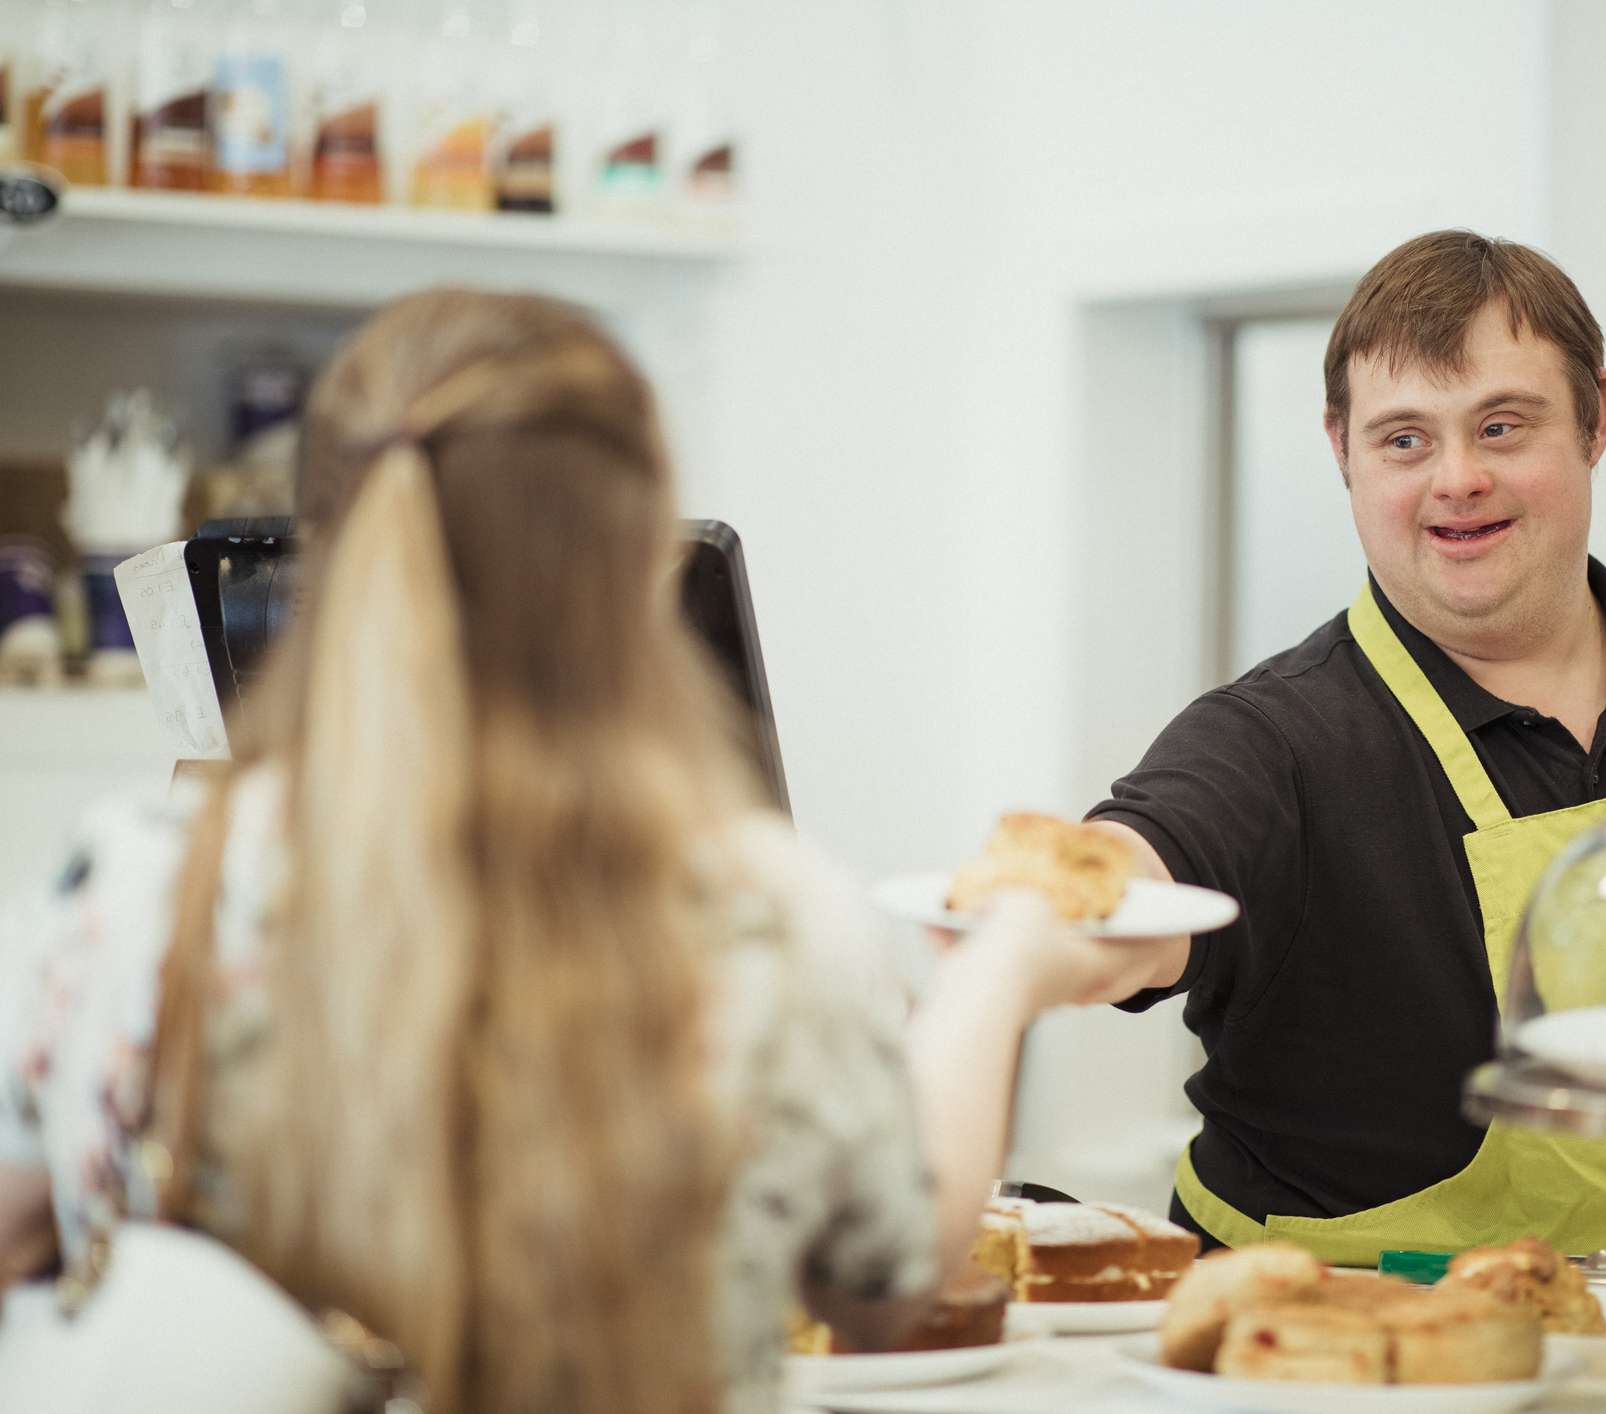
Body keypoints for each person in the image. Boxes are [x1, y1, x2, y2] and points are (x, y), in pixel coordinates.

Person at [0, 290, 1133, 1414]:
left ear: (325, 544)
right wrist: (997, 977)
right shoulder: (765, 908)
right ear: (647, 565)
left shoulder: (138, 877)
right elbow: (886, 1284)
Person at [1078, 230, 1606, 1264]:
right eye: (1404, 439)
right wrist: (1045, 923)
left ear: (1597, 419)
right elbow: (1134, 881)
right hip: (1379, 1358)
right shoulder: (1273, 742)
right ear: (1343, 451)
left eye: (1502, 426)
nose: (1457, 479)